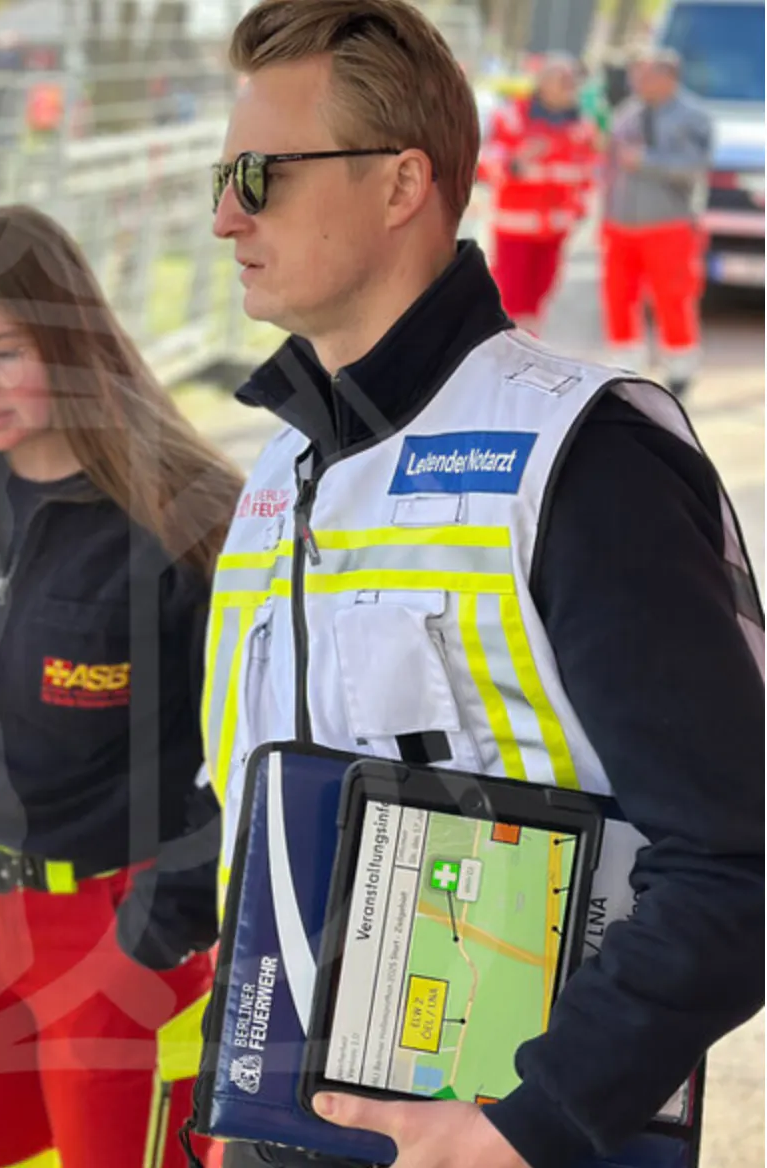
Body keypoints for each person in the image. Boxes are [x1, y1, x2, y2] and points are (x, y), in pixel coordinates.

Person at [207, 2, 762, 1166]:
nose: (224, 217)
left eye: (260, 175)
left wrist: (528, 1124)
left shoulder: (584, 456)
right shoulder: (278, 471)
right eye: (223, 175)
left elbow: (740, 863)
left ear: (402, 181)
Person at [0, 204, 245, 1168]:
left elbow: (243, 752)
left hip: (109, 936)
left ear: (69, 341)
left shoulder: (189, 520)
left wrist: (155, 929)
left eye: (1, 353)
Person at [600, 47, 714, 398]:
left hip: (668, 226)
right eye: (637, 75)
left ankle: (680, 369)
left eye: (646, 75)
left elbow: (695, 167)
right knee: (618, 296)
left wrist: (647, 161)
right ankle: (625, 366)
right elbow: (610, 164)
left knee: (672, 297)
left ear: (668, 78)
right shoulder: (627, 113)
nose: (638, 82)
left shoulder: (694, 116)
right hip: (621, 226)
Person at [478, 53, 600, 334]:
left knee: (539, 300)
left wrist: (579, 211)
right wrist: (517, 161)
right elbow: (486, 162)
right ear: (542, 83)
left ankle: (526, 352)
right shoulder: (512, 118)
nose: (571, 86)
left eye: (573, 81)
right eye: (563, 79)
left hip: (555, 231)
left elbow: (587, 174)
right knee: (510, 300)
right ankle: (506, 354)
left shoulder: (582, 127)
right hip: (516, 228)